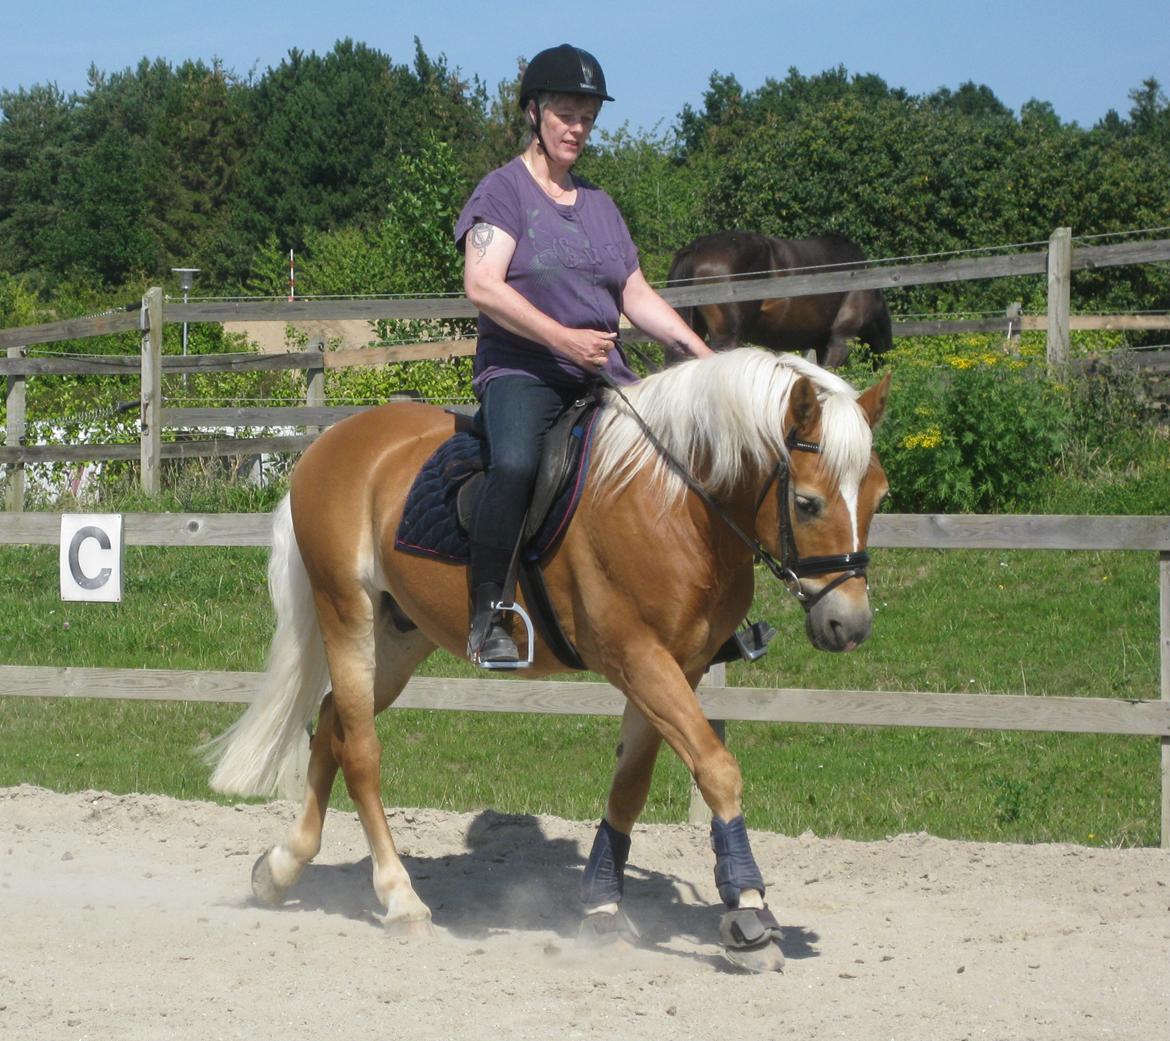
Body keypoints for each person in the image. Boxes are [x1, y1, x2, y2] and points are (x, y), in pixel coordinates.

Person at [454, 43, 714, 666]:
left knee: (680, 454)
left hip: (601, 373)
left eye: (587, 118)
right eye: (567, 114)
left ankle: (695, 614)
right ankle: (488, 613)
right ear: (534, 114)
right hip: (523, 371)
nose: (577, 128)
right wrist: (562, 338)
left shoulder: (599, 206)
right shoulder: (503, 192)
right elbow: (482, 284)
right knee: (515, 465)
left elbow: (636, 293)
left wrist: (704, 357)